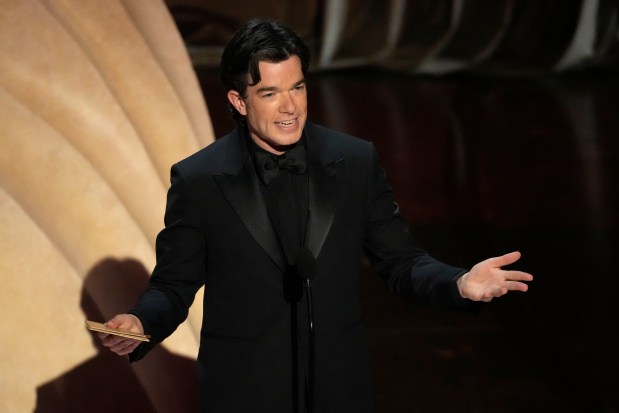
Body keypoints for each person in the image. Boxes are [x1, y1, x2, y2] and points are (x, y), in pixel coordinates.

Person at [99, 19, 533, 413]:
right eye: (270, 93)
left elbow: (401, 262)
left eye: (298, 88)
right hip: (244, 394)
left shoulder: (354, 162)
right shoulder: (199, 179)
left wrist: (458, 282)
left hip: (337, 391)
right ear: (239, 100)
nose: (290, 107)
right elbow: (173, 285)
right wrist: (141, 321)